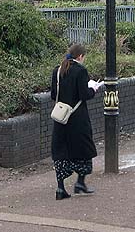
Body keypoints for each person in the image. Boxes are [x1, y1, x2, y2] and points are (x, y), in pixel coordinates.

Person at [50, 43, 100, 200]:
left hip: (61, 118)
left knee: (61, 152)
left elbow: (53, 95)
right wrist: (93, 88)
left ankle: (60, 189)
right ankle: (80, 182)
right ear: (80, 56)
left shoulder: (57, 70)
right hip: (77, 118)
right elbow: (84, 95)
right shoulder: (81, 71)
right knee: (83, 149)